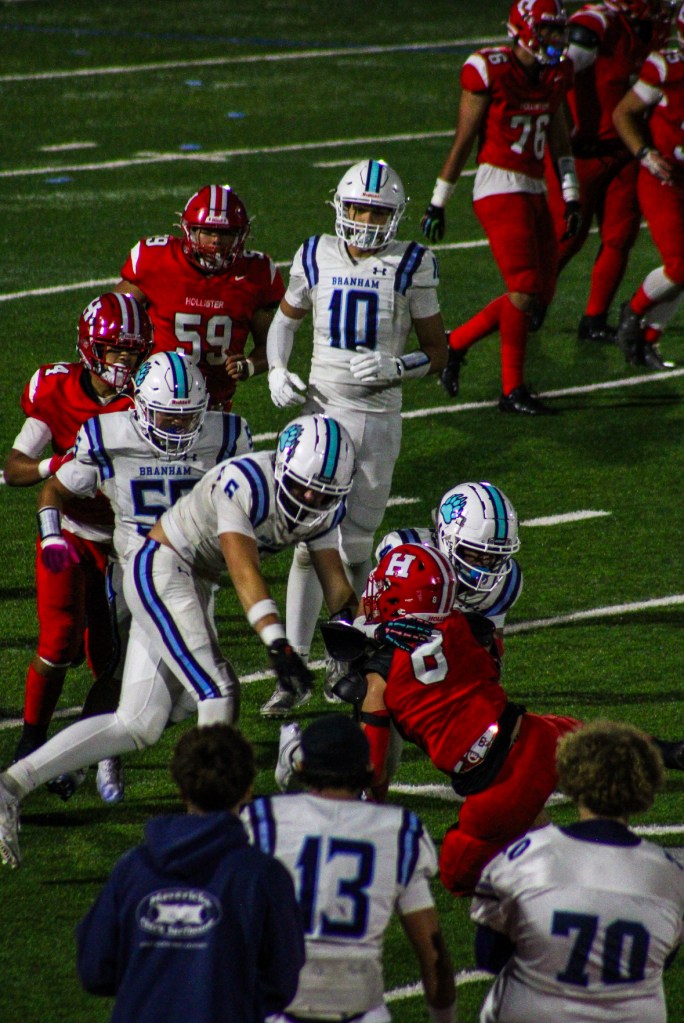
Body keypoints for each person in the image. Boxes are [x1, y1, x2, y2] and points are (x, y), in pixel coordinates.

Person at [0, 413, 358, 868]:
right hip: (163, 567)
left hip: (191, 582)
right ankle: (211, 827)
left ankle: (11, 785)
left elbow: (337, 586)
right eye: (306, 486)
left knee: (139, 723)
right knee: (217, 689)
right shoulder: (244, 480)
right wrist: (276, 642)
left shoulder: (324, 508)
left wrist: (357, 630)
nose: (312, 499)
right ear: (283, 465)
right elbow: (243, 566)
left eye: (324, 493)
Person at [335, 543, 684, 897]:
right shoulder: (461, 624)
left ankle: (583, 882)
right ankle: (669, 751)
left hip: (496, 785)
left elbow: (375, 770)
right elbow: (483, 659)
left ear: (397, 597)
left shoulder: (379, 679)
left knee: (457, 875)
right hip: (534, 734)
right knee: (601, 742)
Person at [267, 157, 447, 710]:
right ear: (340, 208)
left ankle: (350, 656)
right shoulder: (313, 253)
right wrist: (276, 366)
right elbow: (284, 321)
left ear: (395, 216)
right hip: (319, 411)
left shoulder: (412, 261)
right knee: (306, 543)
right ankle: (291, 670)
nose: (366, 220)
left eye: (378, 211)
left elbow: (439, 353)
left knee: (355, 548)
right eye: (359, 208)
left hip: (375, 416)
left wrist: (399, 366)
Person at [36, 351, 253, 802]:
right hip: (143, 575)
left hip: (197, 577)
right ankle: (210, 801)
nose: (176, 429)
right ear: (138, 405)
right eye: (166, 417)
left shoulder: (225, 434)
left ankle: (53, 767)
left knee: (153, 711)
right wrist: (51, 535)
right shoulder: (109, 435)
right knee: (203, 689)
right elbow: (56, 487)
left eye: (186, 417)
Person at [3, 292, 153, 791]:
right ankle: (31, 741)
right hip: (69, 532)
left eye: (134, 351)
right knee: (57, 642)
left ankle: (85, 752)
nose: (127, 361)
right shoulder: (58, 389)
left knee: (109, 659)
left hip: (130, 540)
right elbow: (15, 466)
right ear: (91, 349)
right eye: (117, 351)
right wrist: (55, 464)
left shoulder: (152, 393)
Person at [76, 724, 304, 1023]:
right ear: (248, 790)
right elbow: (282, 982)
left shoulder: (133, 868)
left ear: (181, 790)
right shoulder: (262, 875)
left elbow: (95, 971)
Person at [243, 713, 457, 1023]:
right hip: (361, 1012)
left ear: (302, 768)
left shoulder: (265, 820)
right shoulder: (398, 830)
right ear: (368, 768)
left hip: (279, 1010)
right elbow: (433, 953)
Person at [421, 0, 580, 415]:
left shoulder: (557, 72)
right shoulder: (488, 68)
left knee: (538, 292)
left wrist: (571, 193)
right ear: (523, 29)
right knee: (524, 290)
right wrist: (439, 201)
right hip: (497, 183)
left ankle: (454, 344)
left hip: (533, 186)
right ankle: (512, 390)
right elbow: (464, 138)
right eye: (547, 30)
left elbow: (560, 136)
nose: (555, 38)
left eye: (558, 30)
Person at [470, 719, 684, 1023]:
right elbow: (663, 958)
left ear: (572, 776)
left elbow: (489, 955)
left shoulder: (523, 857)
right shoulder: (671, 877)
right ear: (644, 784)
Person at [544, 0, 674, 344]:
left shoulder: (648, 31)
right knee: (567, 238)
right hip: (581, 151)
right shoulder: (596, 24)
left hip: (625, 150)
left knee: (620, 237)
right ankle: (531, 304)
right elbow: (553, 74)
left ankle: (595, 319)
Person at [115, 183, 285, 409]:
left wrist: (249, 365)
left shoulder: (255, 274)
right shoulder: (158, 261)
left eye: (226, 233)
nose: (216, 240)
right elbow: (112, 318)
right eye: (208, 232)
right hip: (153, 401)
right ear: (190, 230)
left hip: (213, 405)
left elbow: (271, 344)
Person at [612, 3, 684, 369]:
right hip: (664, 179)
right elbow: (622, 112)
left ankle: (649, 342)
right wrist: (645, 153)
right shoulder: (666, 66)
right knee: (679, 264)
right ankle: (633, 313)